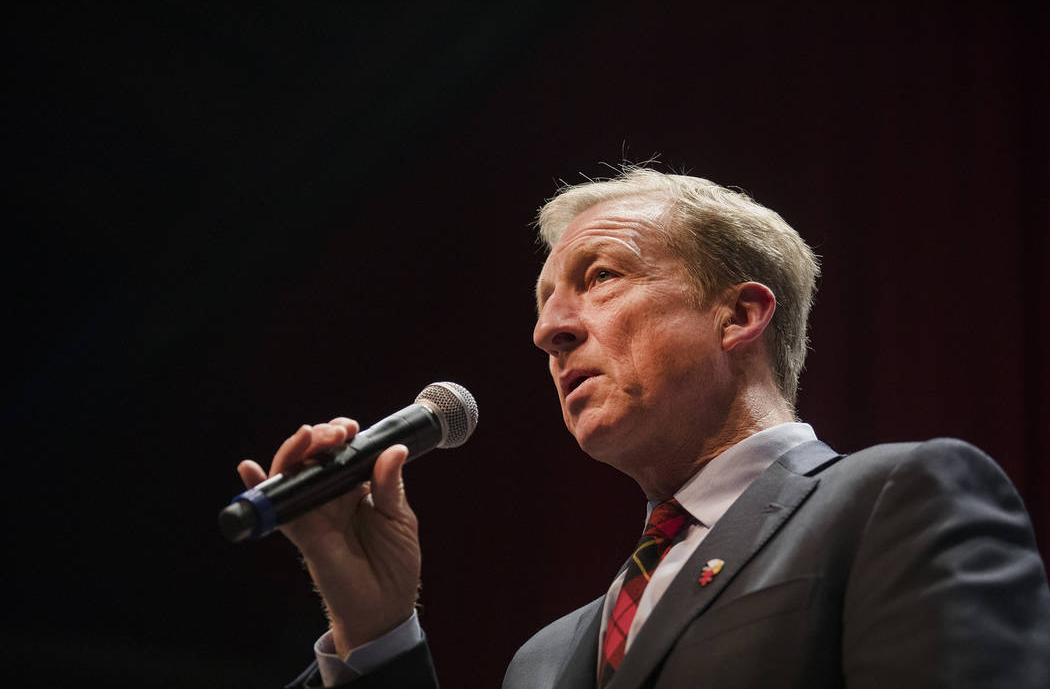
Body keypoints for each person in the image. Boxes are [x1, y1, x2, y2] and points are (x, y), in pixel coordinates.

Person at [237, 168, 1050, 688]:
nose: (549, 331)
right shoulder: (547, 660)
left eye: (600, 278)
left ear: (738, 314)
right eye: (545, 304)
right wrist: (376, 629)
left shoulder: (892, 499)